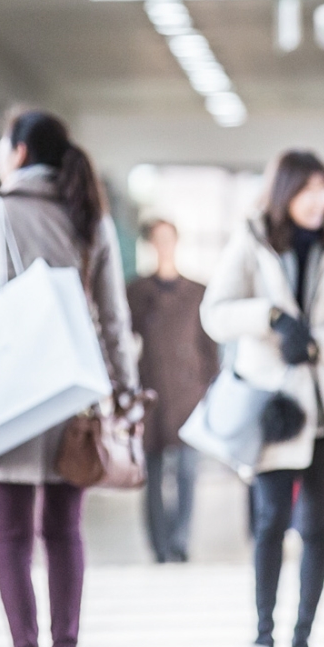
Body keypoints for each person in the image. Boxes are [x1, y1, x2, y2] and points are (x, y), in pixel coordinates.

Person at [0, 110, 138, 647]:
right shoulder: (87, 217)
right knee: (63, 532)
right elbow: (113, 319)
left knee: (10, 540)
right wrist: (124, 393)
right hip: (70, 403)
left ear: (20, 152)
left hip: (4, 405)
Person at [201, 149, 324, 647]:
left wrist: (320, 344)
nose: (319, 201)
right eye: (307, 190)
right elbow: (215, 313)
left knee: (316, 527)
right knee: (269, 522)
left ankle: (302, 635)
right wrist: (271, 317)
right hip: (275, 411)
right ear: (285, 192)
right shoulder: (253, 238)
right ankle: (263, 632)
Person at [127, 218, 218, 563]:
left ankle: (180, 540)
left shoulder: (196, 292)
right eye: (157, 239)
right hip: (149, 394)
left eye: (169, 239)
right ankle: (160, 544)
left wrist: (209, 387)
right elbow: (123, 340)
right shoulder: (136, 292)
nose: (163, 245)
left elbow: (208, 347)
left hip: (188, 395)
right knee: (149, 473)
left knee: (186, 472)